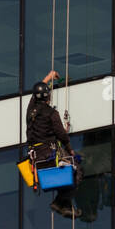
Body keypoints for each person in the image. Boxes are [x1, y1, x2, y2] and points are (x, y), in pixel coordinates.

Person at [25, 71, 82, 219]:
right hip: (48, 154)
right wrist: (71, 150)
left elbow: (35, 93)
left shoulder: (30, 110)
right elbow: (62, 135)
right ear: (48, 97)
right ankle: (60, 202)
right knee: (76, 171)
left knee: (65, 174)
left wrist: (49, 77)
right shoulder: (51, 113)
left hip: (36, 159)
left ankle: (61, 202)